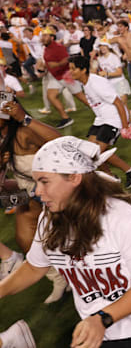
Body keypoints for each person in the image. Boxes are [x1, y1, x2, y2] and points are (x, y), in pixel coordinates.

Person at [0, 136, 131, 347]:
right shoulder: (48, 218)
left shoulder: (124, 218)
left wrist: (102, 319)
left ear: (75, 178)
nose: (37, 192)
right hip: (99, 327)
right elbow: (34, 267)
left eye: (44, 181)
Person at [0, 98, 69, 304]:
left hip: (56, 194)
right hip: (29, 194)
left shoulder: (24, 132)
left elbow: (61, 142)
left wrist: (25, 118)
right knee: (25, 240)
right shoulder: (4, 137)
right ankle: (59, 278)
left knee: (72, 239)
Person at [68, 55, 131, 189]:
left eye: (73, 69)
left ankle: (124, 174)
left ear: (83, 70)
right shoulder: (86, 83)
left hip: (112, 120)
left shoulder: (96, 83)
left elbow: (119, 103)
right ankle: (116, 176)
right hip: (101, 120)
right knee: (89, 153)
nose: (71, 72)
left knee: (95, 155)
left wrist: (125, 127)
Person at [41, 27, 90, 129]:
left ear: (52, 37)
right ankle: (66, 118)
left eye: (45, 36)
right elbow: (50, 63)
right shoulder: (46, 49)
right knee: (51, 96)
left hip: (66, 76)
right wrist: (44, 67)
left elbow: (67, 59)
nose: (42, 38)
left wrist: (57, 64)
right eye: (42, 36)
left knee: (82, 98)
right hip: (56, 77)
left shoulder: (58, 47)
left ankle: (101, 111)